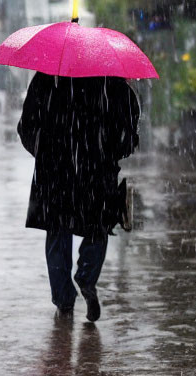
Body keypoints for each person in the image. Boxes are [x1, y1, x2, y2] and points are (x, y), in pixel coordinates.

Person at [18, 72, 140, 321]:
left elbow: (26, 126)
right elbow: (129, 135)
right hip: (97, 170)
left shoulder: (48, 78)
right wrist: (107, 152)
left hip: (54, 172)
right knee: (98, 227)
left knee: (57, 231)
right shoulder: (114, 84)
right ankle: (86, 277)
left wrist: (44, 152)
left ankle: (63, 300)